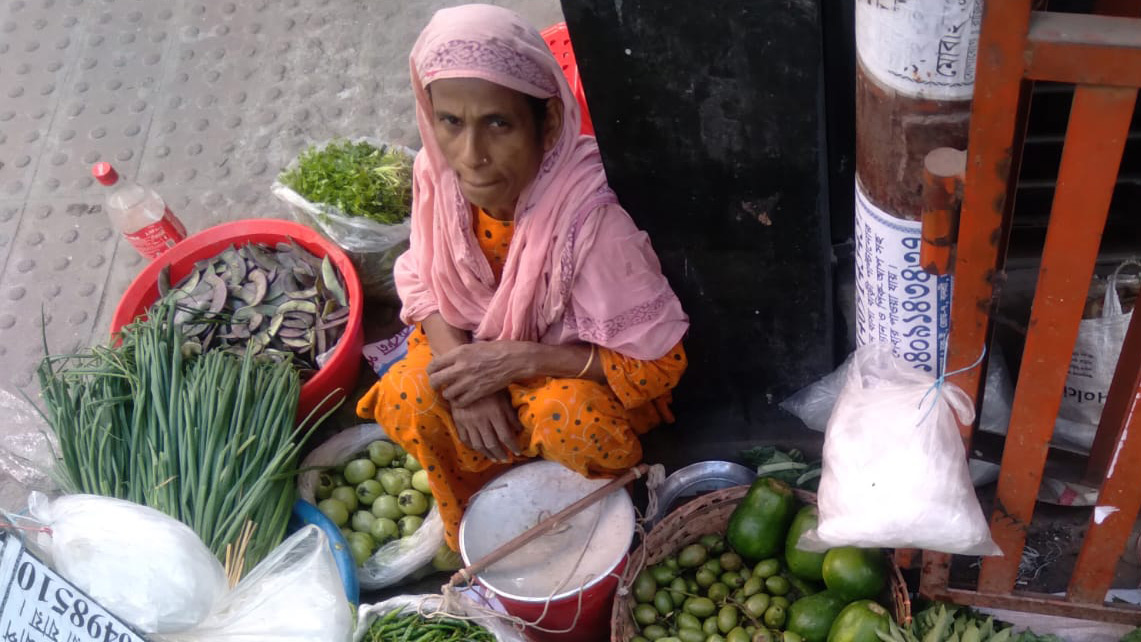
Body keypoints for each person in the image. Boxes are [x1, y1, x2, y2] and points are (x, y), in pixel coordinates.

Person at [355, 3, 690, 550]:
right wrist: (464, 379)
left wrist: (520, 359)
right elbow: (420, 282)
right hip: (470, 348)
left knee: (570, 418)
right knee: (406, 396)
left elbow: (660, 365)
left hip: (567, 371)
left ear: (548, 122)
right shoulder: (435, 177)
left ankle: (596, 526)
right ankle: (479, 523)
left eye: (498, 124)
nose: (471, 156)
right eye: (450, 122)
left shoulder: (588, 219)